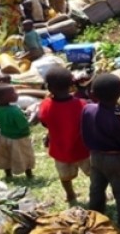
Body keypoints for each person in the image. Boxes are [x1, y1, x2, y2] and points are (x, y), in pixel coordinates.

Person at [81, 74, 120, 229]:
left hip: (95, 156)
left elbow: (85, 130)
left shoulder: (87, 109)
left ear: (93, 93)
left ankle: (94, 214)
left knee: (96, 187)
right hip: (117, 159)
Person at [39, 67, 90, 203]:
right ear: (72, 86)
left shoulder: (45, 105)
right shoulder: (82, 104)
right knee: (93, 173)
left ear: (49, 88)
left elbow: (44, 123)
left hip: (60, 150)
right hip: (82, 149)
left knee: (64, 176)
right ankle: (96, 192)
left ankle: (70, 195)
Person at [0, 84, 35, 179]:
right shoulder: (15, 111)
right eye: (13, 92)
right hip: (19, 138)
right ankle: (29, 174)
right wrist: (29, 116)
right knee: (24, 155)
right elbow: (23, 125)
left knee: (5, 155)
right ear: (3, 98)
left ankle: (8, 174)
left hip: (3, 136)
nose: (16, 93)